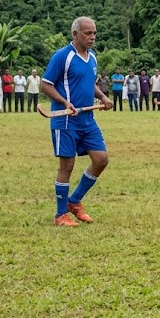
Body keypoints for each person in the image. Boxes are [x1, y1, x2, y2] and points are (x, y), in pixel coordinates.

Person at [41, 17, 114, 226]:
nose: (92, 37)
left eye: (94, 33)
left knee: (101, 159)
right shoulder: (62, 56)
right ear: (75, 34)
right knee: (67, 166)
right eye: (87, 33)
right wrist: (65, 102)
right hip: (65, 121)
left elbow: (89, 84)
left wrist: (103, 97)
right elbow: (45, 85)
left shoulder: (92, 57)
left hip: (87, 120)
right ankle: (60, 215)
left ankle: (74, 201)